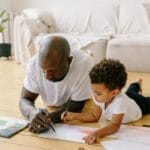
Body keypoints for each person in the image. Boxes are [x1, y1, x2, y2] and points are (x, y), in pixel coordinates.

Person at [61, 58, 150, 144]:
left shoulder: (120, 102)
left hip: (139, 105)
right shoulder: (100, 96)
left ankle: (137, 84)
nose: (94, 96)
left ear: (114, 93)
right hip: (127, 97)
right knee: (130, 92)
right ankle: (137, 83)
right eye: (93, 91)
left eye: (98, 93)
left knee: (133, 94)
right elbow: (94, 116)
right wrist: (74, 116)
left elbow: (115, 125)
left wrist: (96, 133)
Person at [19, 35, 94, 134]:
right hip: (51, 106)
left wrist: (46, 120)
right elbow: (25, 99)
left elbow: (76, 106)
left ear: (69, 61)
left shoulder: (85, 64)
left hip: (83, 104)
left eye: (52, 71)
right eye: (43, 70)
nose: (47, 76)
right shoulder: (34, 63)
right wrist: (31, 113)